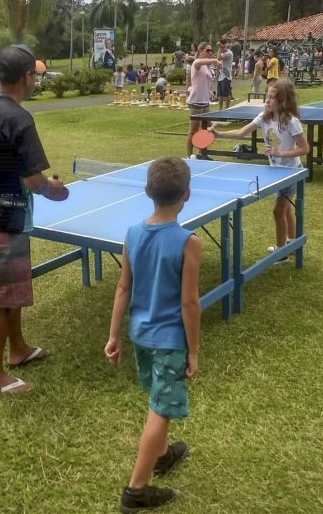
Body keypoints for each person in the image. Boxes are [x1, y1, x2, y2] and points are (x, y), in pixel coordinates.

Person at [0, 44, 69, 394]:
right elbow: (36, 182)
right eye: (35, 74)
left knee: (14, 289)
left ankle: (18, 350)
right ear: (27, 77)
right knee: (3, 296)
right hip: (2, 222)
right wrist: (57, 190)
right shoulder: (20, 119)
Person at [105, 156, 201, 514]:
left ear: (147, 192)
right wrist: (193, 351)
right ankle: (136, 492)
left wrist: (113, 335)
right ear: (187, 195)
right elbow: (189, 303)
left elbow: (122, 288)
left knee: (157, 398)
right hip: (169, 341)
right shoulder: (187, 242)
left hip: (140, 336)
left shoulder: (131, 234)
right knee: (160, 409)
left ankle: (162, 455)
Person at [210, 79, 309, 257]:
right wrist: (218, 134)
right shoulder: (264, 118)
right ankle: (293, 244)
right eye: (267, 96)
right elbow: (241, 133)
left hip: (291, 172)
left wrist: (280, 153)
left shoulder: (292, 122)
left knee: (278, 210)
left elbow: (304, 148)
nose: (267, 100)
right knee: (285, 210)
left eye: (271, 97)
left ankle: (281, 252)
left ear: (283, 100)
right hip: (275, 172)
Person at [185, 42, 219, 158]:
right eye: (208, 50)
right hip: (196, 101)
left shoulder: (206, 67)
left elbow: (203, 81)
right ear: (200, 51)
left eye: (211, 50)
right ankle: (189, 156)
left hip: (205, 101)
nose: (210, 52)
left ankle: (202, 154)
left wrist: (209, 92)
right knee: (193, 130)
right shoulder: (197, 63)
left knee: (206, 129)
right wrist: (214, 60)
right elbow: (198, 62)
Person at [216, 39, 233, 110]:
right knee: (220, 94)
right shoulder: (222, 52)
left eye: (222, 47)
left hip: (226, 76)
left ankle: (227, 108)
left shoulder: (229, 53)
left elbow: (218, 58)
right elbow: (218, 61)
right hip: (221, 75)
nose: (221, 48)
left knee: (227, 94)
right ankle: (220, 109)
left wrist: (220, 48)